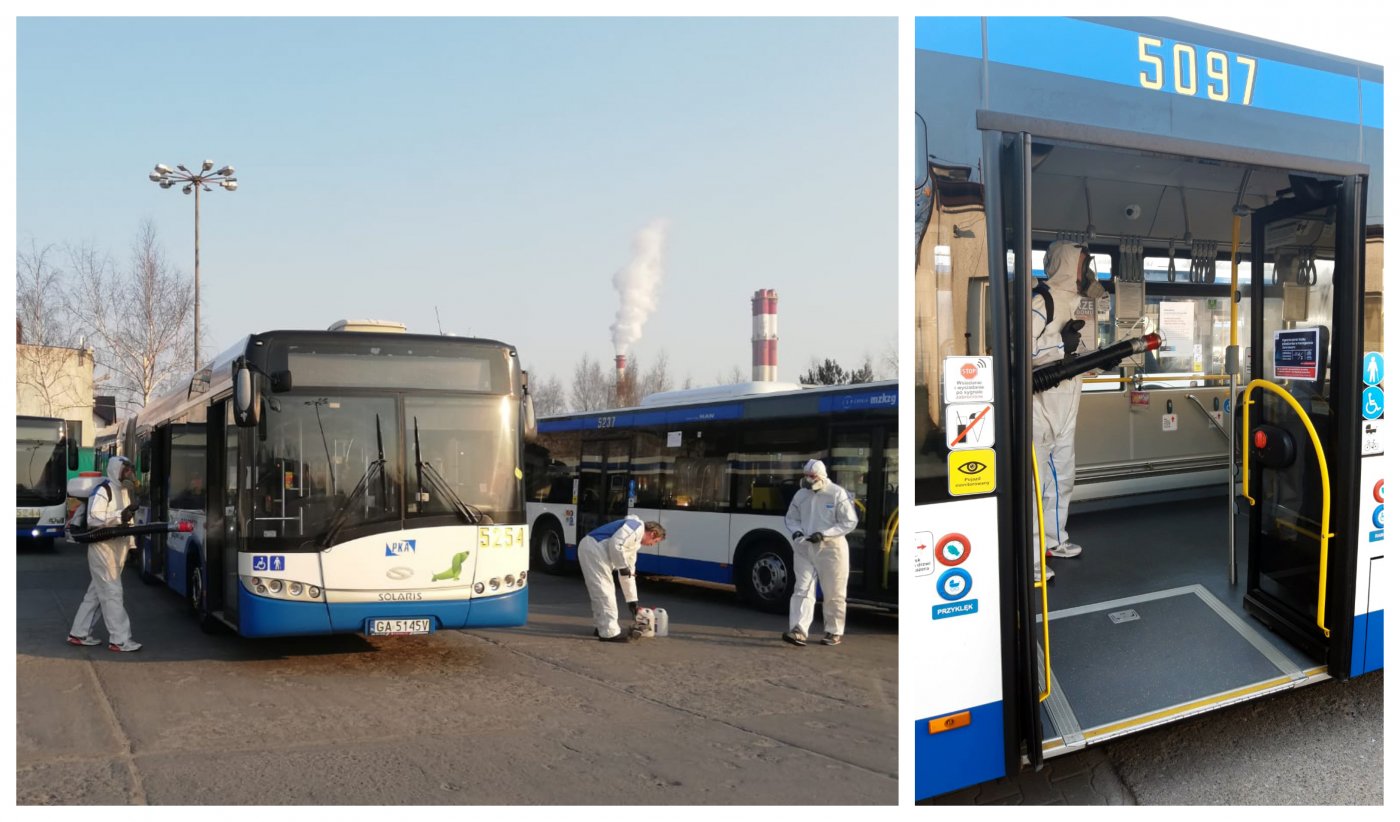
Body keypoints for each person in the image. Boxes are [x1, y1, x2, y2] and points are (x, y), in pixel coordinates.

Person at [1030, 240, 1107, 581]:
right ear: (1067, 265)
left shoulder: (1074, 305)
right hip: (1039, 406)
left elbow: (1078, 355)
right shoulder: (1040, 302)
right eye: (1082, 265)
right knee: (1035, 483)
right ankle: (1030, 559)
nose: (1086, 273)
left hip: (1066, 403)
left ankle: (1054, 539)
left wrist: (1102, 361)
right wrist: (1063, 344)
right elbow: (1024, 352)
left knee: (1063, 477)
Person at [66, 455, 142, 652]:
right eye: (125, 470)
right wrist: (119, 516)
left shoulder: (124, 491)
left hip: (118, 550)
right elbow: (94, 519)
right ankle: (120, 640)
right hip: (103, 549)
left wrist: (132, 547)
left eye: (130, 471)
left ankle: (79, 633)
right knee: (112, 593)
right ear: (115, 470)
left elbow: (129, 524)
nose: (129, 474)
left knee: (97, 595)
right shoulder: (103, 490)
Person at [782, 459, 859, 647]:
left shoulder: (836, 494)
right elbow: (791, 518)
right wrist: (797, 532)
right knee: (802, 588)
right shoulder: (801, 495)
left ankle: (834, 631)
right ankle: (799, 630)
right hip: (804, 547)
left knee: (834, 591)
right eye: (806, 476)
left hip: (831, 549)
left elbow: (849, 522)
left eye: (812, 477)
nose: (809, 480)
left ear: (821, 476)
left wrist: (824, 534)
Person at [577, 515, 666, 642]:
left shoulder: (633, 544)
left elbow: (628, 575)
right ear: (653, 533)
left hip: (593, 550)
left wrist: (632, 602)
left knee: (600, 592)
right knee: (605, 593)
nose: (652, 545)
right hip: (594, 550)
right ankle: (609, 633)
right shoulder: (635, 527)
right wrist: (622, 566)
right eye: (655, 541)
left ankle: (601, 627)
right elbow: (616, 543)